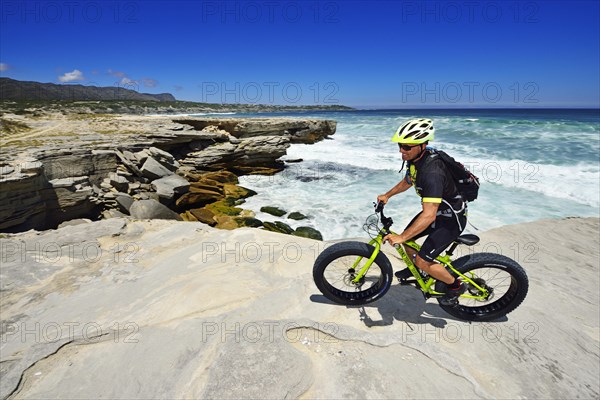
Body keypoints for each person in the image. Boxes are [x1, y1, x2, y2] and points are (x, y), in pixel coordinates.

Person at [377, 118, 467, 306]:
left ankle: (455, 286)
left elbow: (429, 215)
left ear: (422, 145)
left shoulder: (432, 173)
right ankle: (416, 271)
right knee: (408, 241)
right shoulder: (416, 160)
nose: (402, 151)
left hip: (450, 219)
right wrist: (388, 195)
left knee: (422, 259)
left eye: (407, 147)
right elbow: (409, 181)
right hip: (438, 213)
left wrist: (401, 236)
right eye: (400, 146)